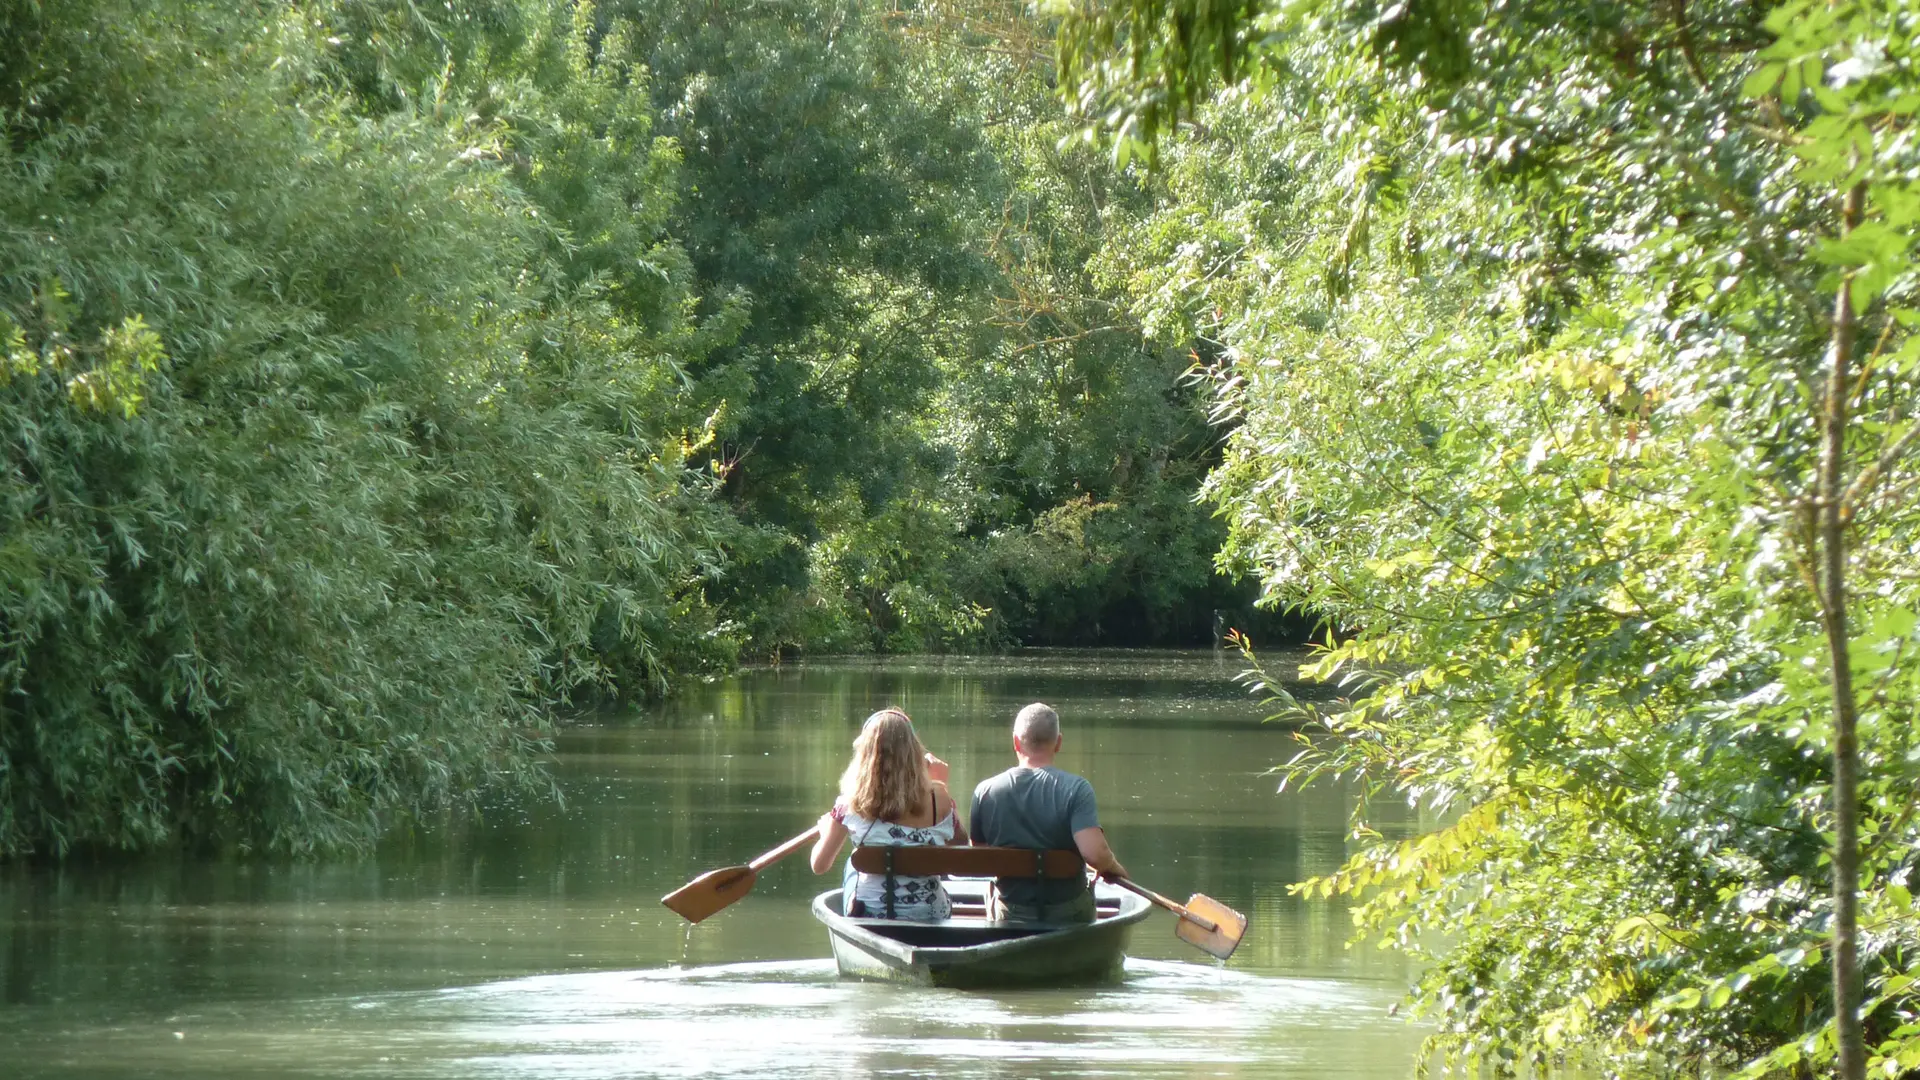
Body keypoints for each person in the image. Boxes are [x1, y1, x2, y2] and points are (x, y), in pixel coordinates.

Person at [969, 702, 1127, 923]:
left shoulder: (984, 791)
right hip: (1068, 912)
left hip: (1011, 912)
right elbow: (1095, 854)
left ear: (1015, 742)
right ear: (1058, 742)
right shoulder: (1077, 789)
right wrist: (1113, 866)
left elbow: (981, 855)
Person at [809, 707, 969, 920]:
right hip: (930, 914)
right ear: (915, 753)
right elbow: (960, 846)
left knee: (853, 863)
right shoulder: (938, 798)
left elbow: (819, 865)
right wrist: (939, 785)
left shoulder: (848, 803)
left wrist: (826, 832)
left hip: (873, 914)